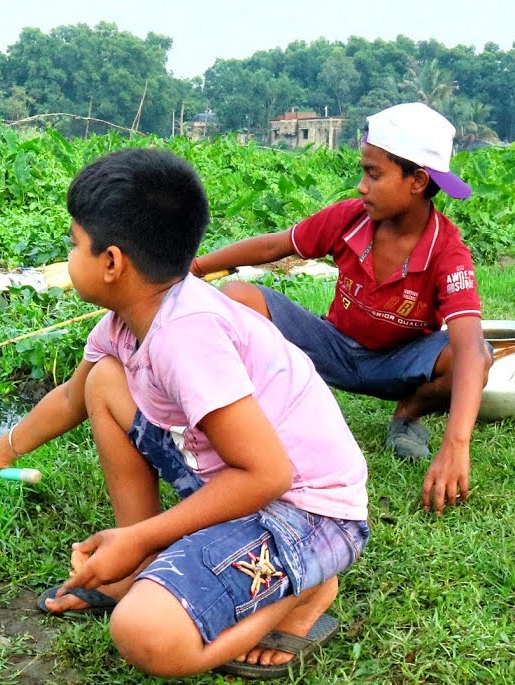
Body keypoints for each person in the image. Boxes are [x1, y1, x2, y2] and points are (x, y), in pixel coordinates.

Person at [0, 148, 369, 679]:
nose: (68, 255)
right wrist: (2, 449)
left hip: (309, 514)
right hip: (238, 481)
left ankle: (303, 596)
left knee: (144, 634)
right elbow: (71, 399)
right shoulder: (127, 321)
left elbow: (270, 474)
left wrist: (137, 539)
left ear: (112, 263)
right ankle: (145, 564)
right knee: (105, 381)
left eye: (73, 243)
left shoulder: (185, 337)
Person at [190, 103, 492, 516]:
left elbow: (471, 348)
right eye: (363, 171)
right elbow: (274, 245)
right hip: (330, 347)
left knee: (475, 355)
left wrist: (456, 444)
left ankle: (408, 415)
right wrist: (195, 267)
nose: (361, 186)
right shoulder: (350, 220)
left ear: (418, 181)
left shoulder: (447, 250)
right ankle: (252, 429)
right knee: (239, 297)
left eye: (373, 174)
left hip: (396, 364)